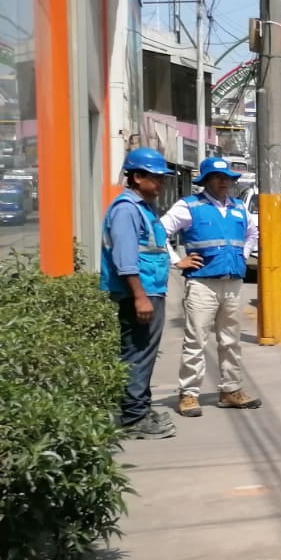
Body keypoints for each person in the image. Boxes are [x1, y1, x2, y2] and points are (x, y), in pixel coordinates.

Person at [162, 157, 261, 417]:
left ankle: (231, 390)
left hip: (232, 283)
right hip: (202, 284)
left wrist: (244, 253)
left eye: (227, 178)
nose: (223, 182)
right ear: (205, 181)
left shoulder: (239, 208)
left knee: (231, 340)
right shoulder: (189, 206)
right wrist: (177, 261)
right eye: (218, 178)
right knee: (196, 340)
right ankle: (189, 394)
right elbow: (159, 232)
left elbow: (253, 233)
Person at [100, 147, 177, 439]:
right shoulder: (126, 210)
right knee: (138, 353)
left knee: (143, 352)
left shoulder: (143, 208)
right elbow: (125, 258)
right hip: (139, 293)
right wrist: (140, 296)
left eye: (162, 179)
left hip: (150, 289)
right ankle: (134, 418)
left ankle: (140, 410)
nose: (160, 184)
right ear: (137, 177)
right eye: (155, 178)